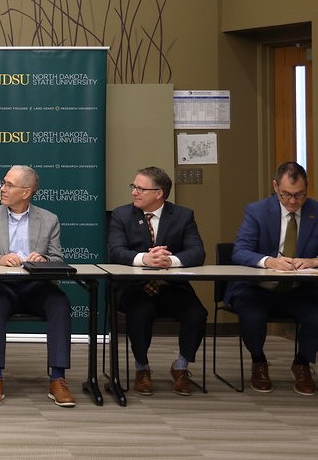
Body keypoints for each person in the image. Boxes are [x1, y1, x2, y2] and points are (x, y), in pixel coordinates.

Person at [0, 165, 75, 408]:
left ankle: (58, 378)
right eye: (3, 183)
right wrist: (0, 259)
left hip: (37, 286)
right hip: (2, 284)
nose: (2, 189)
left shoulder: (49, 220)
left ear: (26, 192)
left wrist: (45, 260)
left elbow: (58, 259)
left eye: (9, 185)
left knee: (60, 303)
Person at [108, 166, 207, 397]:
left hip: (172, 286)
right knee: (140, 312)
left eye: (141, 188)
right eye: (133, 187)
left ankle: (181, 367)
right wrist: (146, 258)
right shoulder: (122, 215)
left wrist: (168, 261)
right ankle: (142, 368)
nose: (134, 192)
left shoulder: (183, 216)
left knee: (197, 314)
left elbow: (197, 252)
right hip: (136, 288)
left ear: (159, 193)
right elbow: (115, 252)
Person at [228, 161, 318, 396]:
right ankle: (259, 361)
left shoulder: (315, 212)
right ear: (276, 186)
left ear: (306, 188)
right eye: (286, 194)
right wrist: (270, 261)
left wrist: (313, 261)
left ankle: (302, 363)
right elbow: (239, 251)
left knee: (315, 315)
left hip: (300, 289)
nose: (292, 201)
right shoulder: (257, 211)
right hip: (259, 288)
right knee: (252, 316)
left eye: (299, 195)